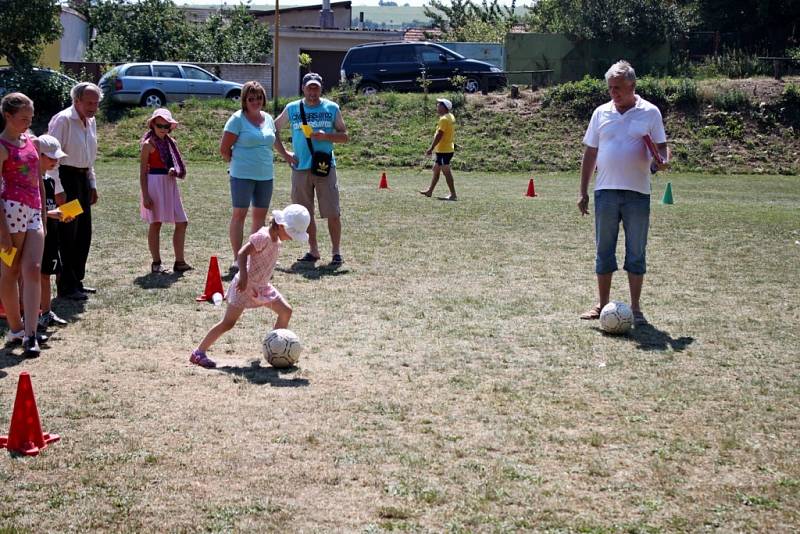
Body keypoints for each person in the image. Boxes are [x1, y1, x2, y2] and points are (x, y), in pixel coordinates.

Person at [578, 60, 669, 326]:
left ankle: (636, 308)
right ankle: (603, 304)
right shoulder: (600, 113)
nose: (613, 93)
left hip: (638, 193)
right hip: (604, 191)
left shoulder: (650, 112)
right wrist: (583, 190)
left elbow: (662, 148)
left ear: (633, 86)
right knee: (603, 250)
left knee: (636, 252)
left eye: (618, 88)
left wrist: (661, 162)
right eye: (610, 88)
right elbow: (590, 152)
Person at [189, 204, 311, 369]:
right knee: (228, 323)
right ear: (281, 225)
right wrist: (244, 276)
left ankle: (275, 347)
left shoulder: (277, 239)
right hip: (244, 287)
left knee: (286, 311)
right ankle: (198, 352)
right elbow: (242, 253)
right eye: (292, 233)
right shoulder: (263, 237)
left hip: (262, 287)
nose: (292, 238)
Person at [274, 72, 349, 266]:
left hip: (324, 167)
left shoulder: (332, 108)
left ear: (321, 88)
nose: (313, 91)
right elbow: (272, 130)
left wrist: (327, 137)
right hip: (300, 168)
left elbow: (345, 136)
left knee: (332, 212)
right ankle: (313, 250)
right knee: (305, 214)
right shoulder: (292, 108)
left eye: (316, 87)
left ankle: (336, 252)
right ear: (303, 88)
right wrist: (285, 154)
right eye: (309, 87)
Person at [220, 81, 293, 273]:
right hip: (242, 176)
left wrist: (286, 155)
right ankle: (238, 258)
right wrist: (237, 165)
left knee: (259, 220)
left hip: (265, 175)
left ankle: (256, 256)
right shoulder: (237, 120)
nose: (255, 101)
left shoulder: (268, 118)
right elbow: (224, 149)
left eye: (259, 98)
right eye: (251, 98)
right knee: (239, 216)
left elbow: (274, 139)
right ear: (244, 100)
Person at [0, 93, 47, 356]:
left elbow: (39, 181)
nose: (28, 123)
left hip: (32, 213)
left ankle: (31, 334)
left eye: (31, 118)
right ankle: (15, 328)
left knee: (33, 269)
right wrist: (3, 233)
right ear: (8, 116)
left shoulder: (32, 141)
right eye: (23, 118)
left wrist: (42, 213)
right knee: (11, 271)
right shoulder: (1, 146)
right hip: (10, 213)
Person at [46, 82, 103, 300]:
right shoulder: (63, 120)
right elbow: (52, 158)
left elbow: (89, 158)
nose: (93, 107)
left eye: (96, 103)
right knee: (68, 233)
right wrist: (58, 190)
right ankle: (66, 285)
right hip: (66, 179)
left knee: (83, 233)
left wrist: (93, 184)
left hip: (82, 179)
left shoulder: (91, 121)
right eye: (89, 102)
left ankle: (77, 280)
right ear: (76, 100)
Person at [139, 108, 192, 274]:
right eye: (160, 125)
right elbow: (142, 173)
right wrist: (145, 195)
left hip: (169, 183)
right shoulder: (148, 145)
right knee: (156, 223)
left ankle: (180, 261)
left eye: (166, 126)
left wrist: (173, 170)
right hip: (154, 184)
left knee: (182, 222)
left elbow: (177, 165)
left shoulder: (171, 143)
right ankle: (156, 263)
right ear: (153, 124)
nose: (163, 129)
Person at [36, 135, 73, 332]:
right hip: (35, 235)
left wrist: (62, 215)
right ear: (37, 155)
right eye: (50, 157)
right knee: (33, 275)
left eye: (56, 158)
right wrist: (52, 214)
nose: (55, 161)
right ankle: (31, 313)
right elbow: (33, 209)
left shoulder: (49, 181)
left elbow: (48, 207)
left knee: (46, 274)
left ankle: (46, 312)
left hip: (50, 235)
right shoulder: (31, 181)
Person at [419, 97, 457, 201]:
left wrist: (431, 148)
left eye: (439, 105)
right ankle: (430, 191)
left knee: (446, 172)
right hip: (445, 149)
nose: (437, 106)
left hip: (444, 150)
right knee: (436, 170)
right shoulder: (450, 116)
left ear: (444, 107)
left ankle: (453, 194)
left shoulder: (444, 119)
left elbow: (439, 134)